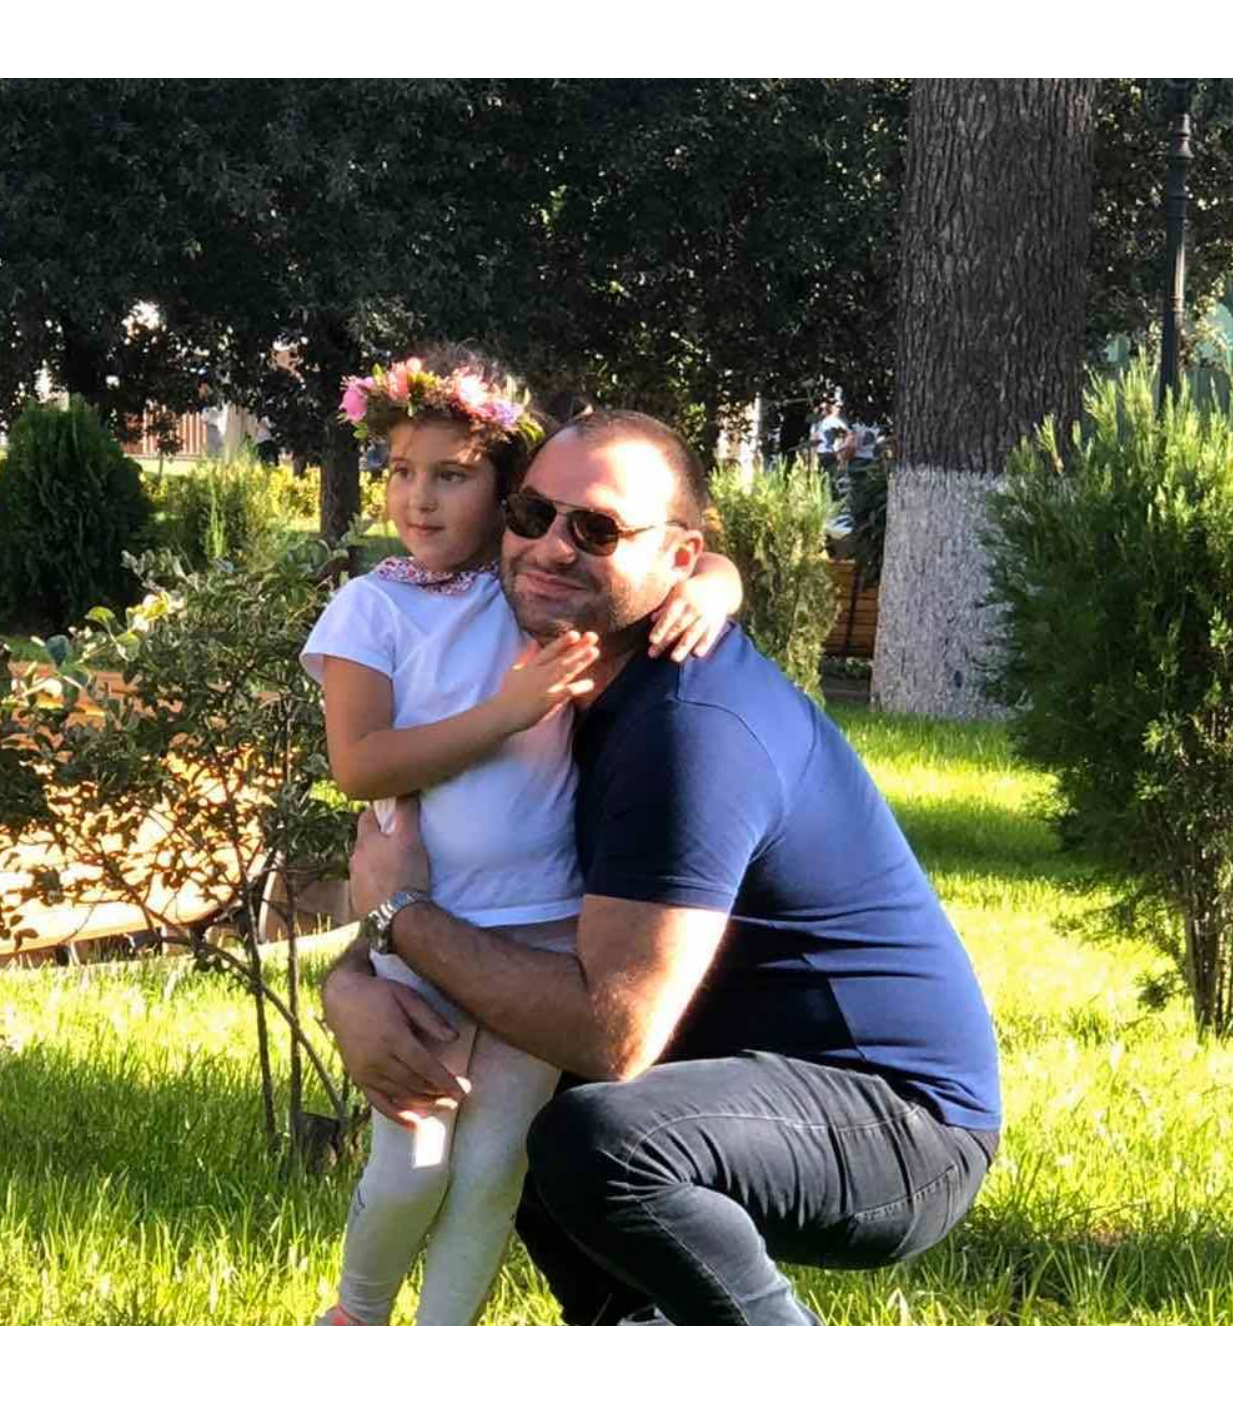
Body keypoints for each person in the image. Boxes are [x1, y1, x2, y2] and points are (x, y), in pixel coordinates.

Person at [324, 408, 1002, 1326]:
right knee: (535, 1120)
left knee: (600, 1139)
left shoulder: (687, 727)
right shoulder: (539, 682)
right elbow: (469, 869)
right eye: (533, 514)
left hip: (895, 1117)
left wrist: (401, 918)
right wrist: (354, 983)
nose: (552, 547)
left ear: (678, 560)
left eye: (598, 530)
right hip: (716, 1066)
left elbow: (611, 1037)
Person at [304, 347, 743, 1327]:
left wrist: (714, 584)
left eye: (451, 475)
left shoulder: (533, 587)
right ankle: (356, 1318)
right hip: (426, 929)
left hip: (545, 934)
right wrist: (508, 712)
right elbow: (360, 765)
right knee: (414, 1163)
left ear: (506, 489)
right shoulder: (371, 607)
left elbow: (683, 556)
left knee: (494, 1169)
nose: (418, 498)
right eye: (400, 471)